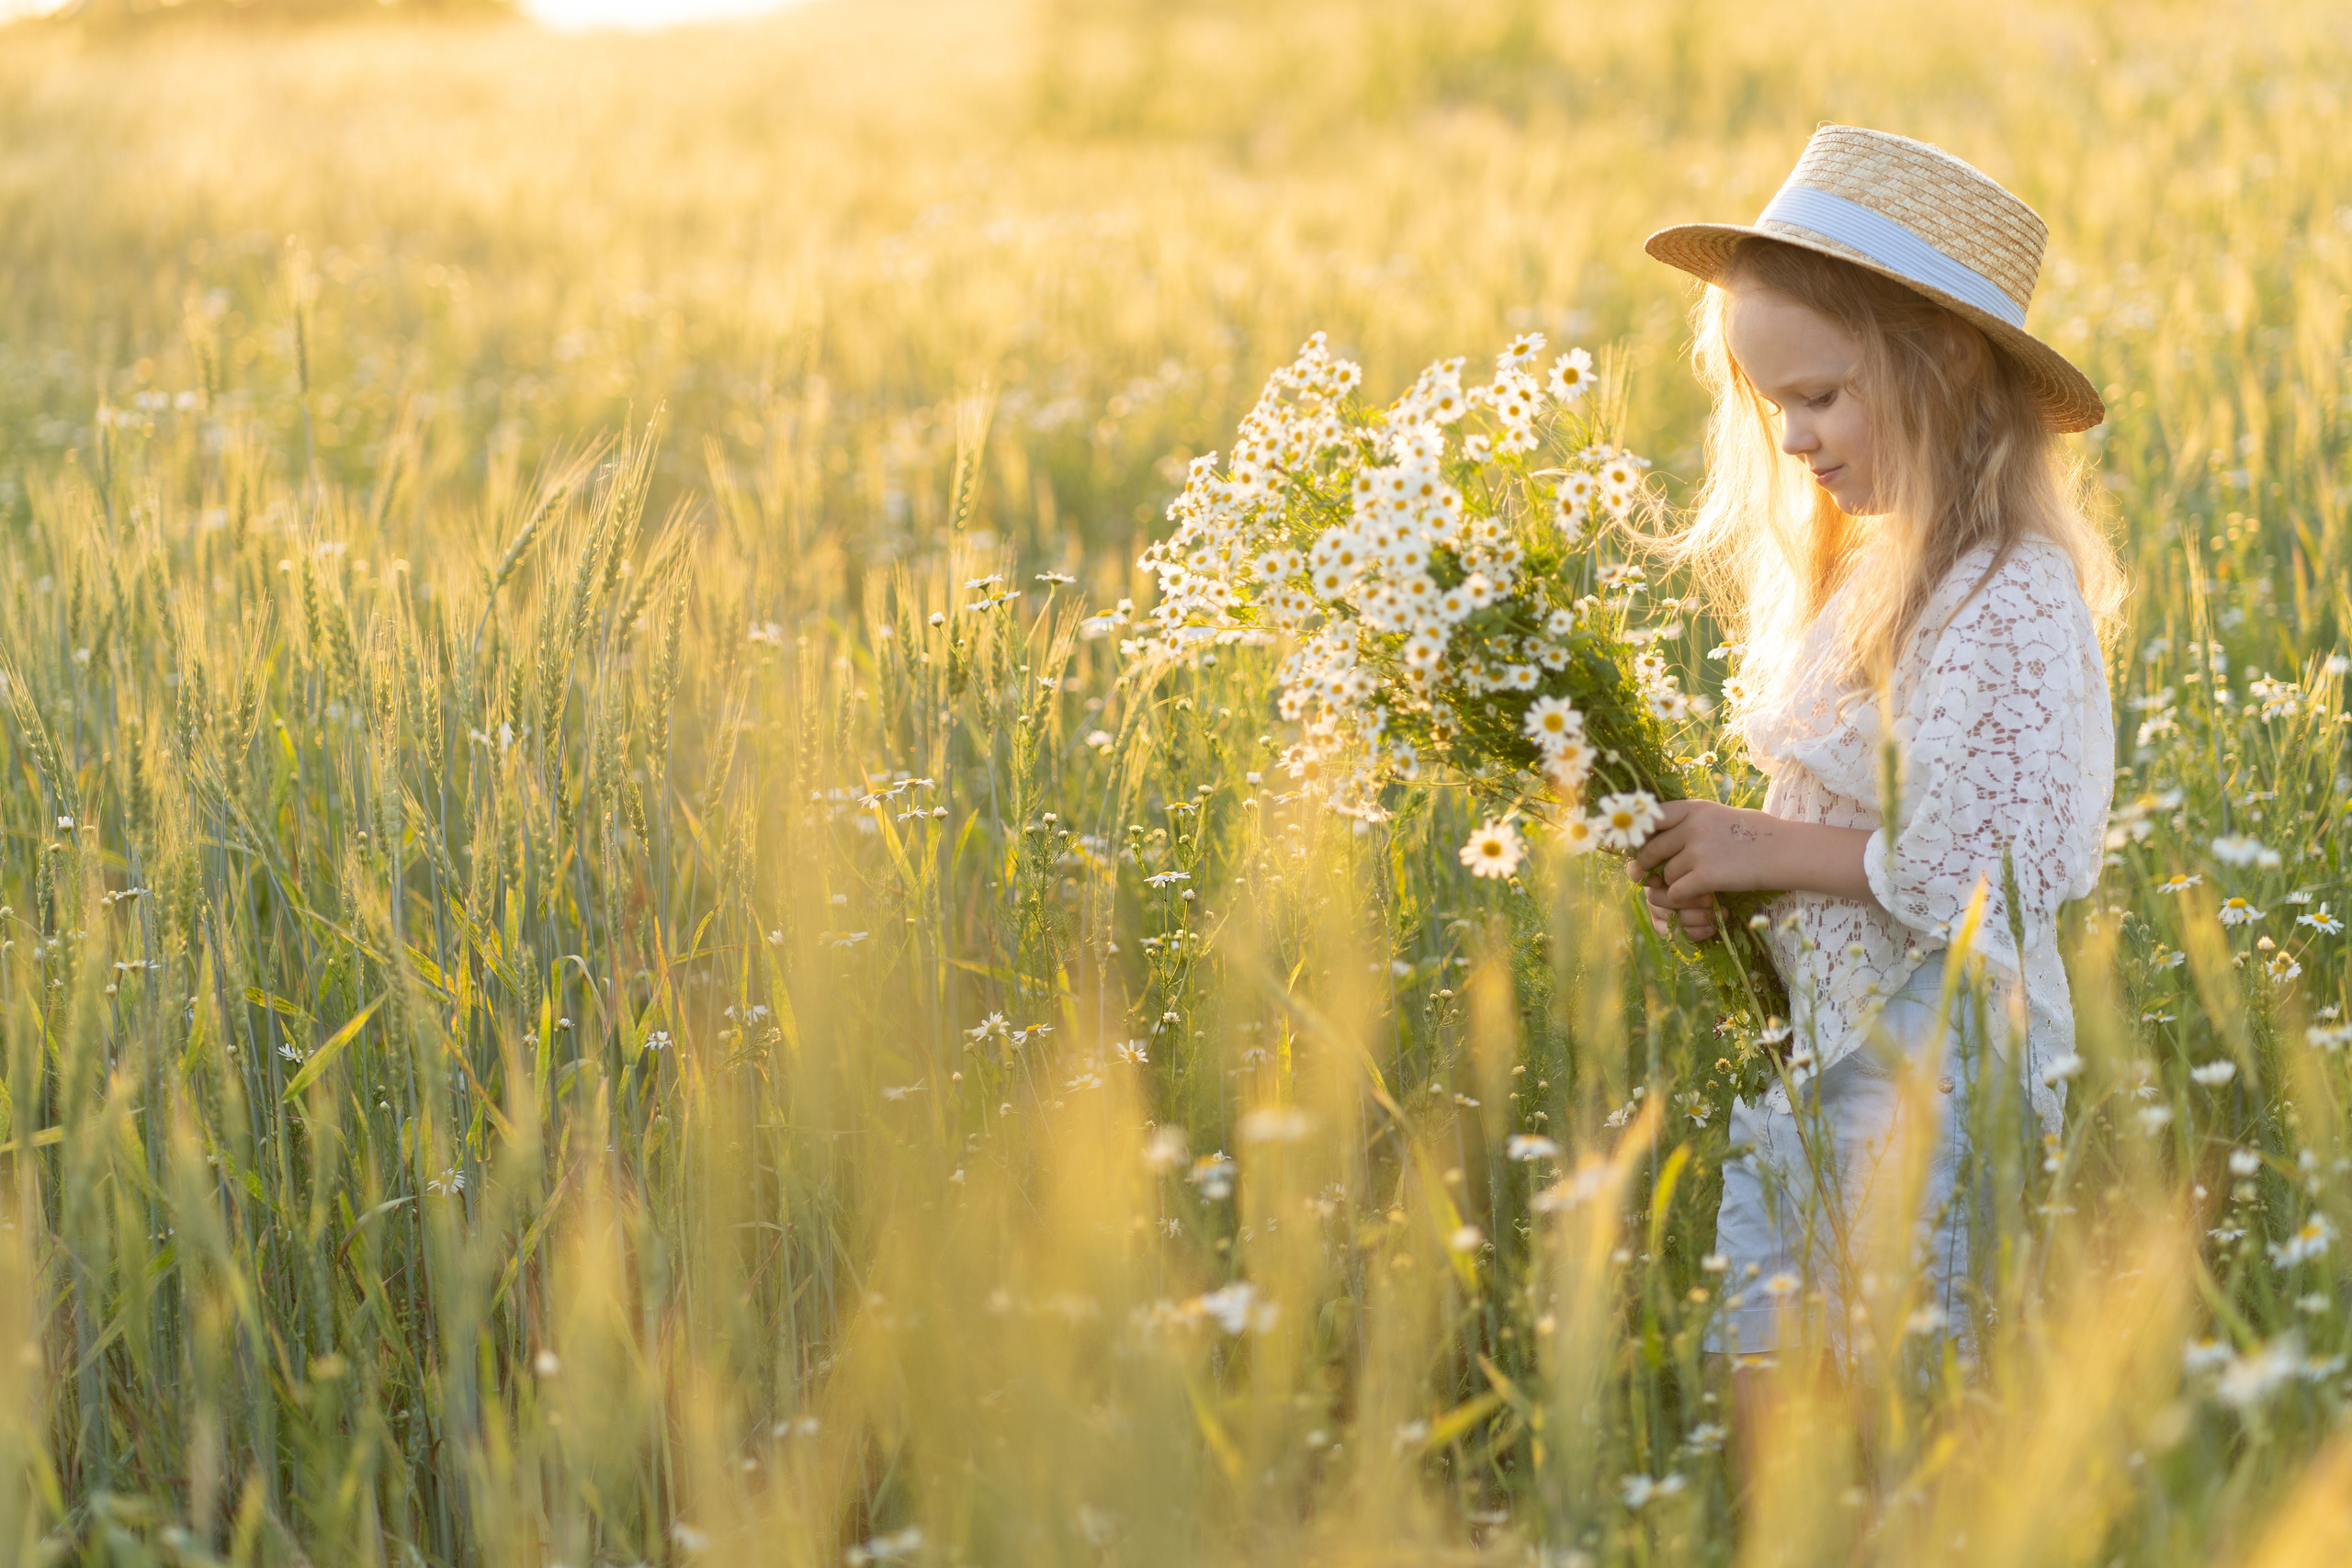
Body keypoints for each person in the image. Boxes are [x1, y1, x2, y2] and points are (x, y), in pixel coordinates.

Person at [1625, 127, 2121, 1408]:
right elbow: (1845, 835)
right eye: (1770, 402)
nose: (1793, 438)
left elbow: (1996, 867)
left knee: (1903, 1400)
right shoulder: (1864, 582)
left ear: (1948, 365)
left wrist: (1765, 847)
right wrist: (1731, 880)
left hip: (1940, 1077)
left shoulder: (2008, 594)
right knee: (1772, 1386)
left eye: (1821, 395)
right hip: (1827, 1058)